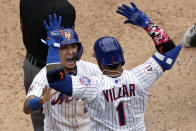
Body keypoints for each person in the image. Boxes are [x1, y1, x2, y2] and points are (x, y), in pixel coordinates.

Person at [43, 2, 182, 131]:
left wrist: (54, 47)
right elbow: (169, 51)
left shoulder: (93, 86)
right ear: (122, 57)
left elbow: (57, 81)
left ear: (100, 62)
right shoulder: (140, 77)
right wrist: (147, 25)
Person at [23, 14, 102, 131]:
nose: (70, 52)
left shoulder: (91, 70)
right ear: (55, 51)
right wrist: (39, 101)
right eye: (64, 47)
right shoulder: (44, 76)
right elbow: (27, 108)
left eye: (73, 46)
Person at [19, 0, 76, 130]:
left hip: (30, 67)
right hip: (54, 75)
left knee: (39, 124)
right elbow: (67, 47)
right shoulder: (64, 9)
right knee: (64, 122)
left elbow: (22, 28)